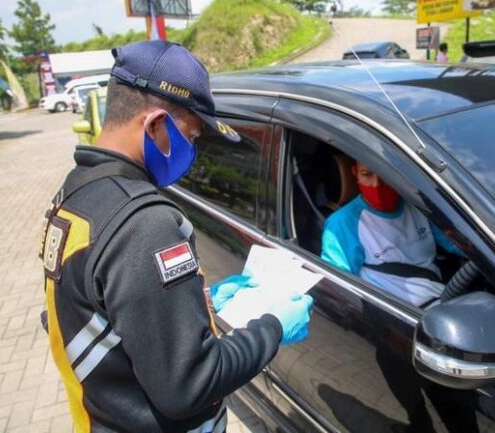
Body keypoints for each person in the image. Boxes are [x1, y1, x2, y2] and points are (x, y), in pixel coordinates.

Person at [39, 40, 313, 432]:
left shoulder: (77, 191)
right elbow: (188, 386)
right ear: (154, 125)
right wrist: (272, 327)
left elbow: (72, 313)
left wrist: (192, 306)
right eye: (193, 136)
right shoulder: (145, 222)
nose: (194, 148)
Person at [321, 161, 462, 306]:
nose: (376, 185)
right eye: (367, 175)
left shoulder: (418, 206)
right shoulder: (344, 223)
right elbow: (336, 284)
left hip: (441, 296)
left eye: (384, 174)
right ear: (355, 173)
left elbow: (457, 243)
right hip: (404, 315)